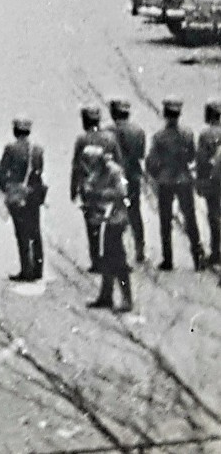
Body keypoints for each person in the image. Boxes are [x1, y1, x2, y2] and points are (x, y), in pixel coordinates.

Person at [146, 98, 205, 271]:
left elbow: (152, 162)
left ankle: (168, 259)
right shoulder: (187, 134)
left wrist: (156, 174)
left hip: (165, 181)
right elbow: (192, 157)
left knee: (165, 221)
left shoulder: (158, 137)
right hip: (184, 179)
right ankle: (197, 256)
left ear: (165, 114)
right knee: (190, 218)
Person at [70, 106, 121, 273]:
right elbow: (119, 163)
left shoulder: (82, 140)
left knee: (92, 227)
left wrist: (74, 188)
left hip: (90, 189)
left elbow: (77, 166)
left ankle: (96, 261)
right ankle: (110, 257)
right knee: (110, 224)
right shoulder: (110, 138)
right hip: (108, 188)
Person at [0, 118, 47, 282]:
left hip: (18, 194)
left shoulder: (10, 149)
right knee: (36, 231)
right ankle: (38, 269)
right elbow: (39, 171)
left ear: (16, 131)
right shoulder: (37, 149)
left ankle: (26, 270)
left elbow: (2, 172)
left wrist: (7, 189)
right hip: (33, 193)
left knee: (22, 233)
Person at [86, 144, 133, 313]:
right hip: (108, 217)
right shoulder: (99, 171)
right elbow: (91, 183)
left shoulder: (115, 171)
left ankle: (126, 298)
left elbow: (122, 191)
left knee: (118, 259)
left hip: (117, 218)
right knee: (107, 257)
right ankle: (106, 295)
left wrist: (100, 194)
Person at [106, 98, 146, 263]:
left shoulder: (107, 132)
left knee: (114, 212)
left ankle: (116, 249)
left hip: (115, 178)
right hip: (133, 175)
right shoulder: (138, 131)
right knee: (135, 211)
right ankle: (139, 247)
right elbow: (141, 154)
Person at [196, 100, 221, 267]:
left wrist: (200, 181)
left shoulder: (206, 134)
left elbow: (202, 160)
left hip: (213, 181)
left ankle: (216, 252)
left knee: (214, 216)